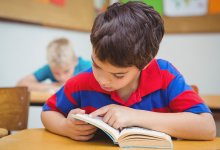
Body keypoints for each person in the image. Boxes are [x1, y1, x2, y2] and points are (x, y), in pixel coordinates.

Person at [41, 2, 216, 141]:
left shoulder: (164, 75)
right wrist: (65, 127)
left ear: (145, 63)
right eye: (97, 65)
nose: (103, 80)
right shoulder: (83, 81)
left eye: (118, 75)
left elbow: (207, 128)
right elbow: (48, 112)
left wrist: (135, 116)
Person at [17, 38, 91, 92]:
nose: (62, 77)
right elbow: (21, 84)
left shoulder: (88, 67)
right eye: (56, 73)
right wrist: (51, 86)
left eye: (66, 71)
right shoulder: (51, 67)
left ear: (75, 61)